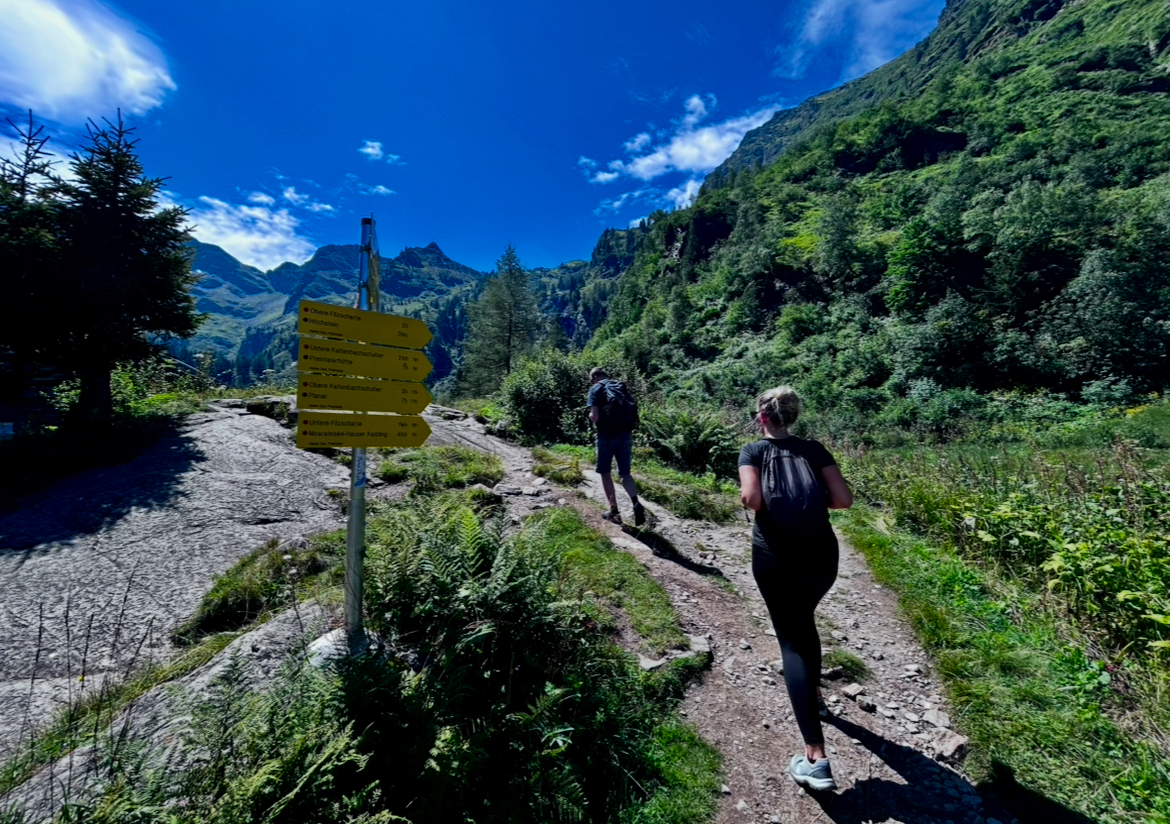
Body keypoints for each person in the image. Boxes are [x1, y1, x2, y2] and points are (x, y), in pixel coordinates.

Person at [738, 385, 853, 792]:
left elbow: (752, 500)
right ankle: (816, 697)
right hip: (822, 556)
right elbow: (842, 500)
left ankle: (815, 759)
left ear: (762, 417)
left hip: (777, 557)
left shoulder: (753, 451)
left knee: (792, 642)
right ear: (793, 416)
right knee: (805, 624)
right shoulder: (815, 450)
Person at [587, 367, 646, 526]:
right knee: (625, 474)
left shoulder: (596, 388)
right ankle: (635, 503)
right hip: (625, 435)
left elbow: (594, 416)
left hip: (606, 436)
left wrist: (593, 417)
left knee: (605, 473)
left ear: (594, 378)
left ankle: (613, 511)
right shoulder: (620, 386)